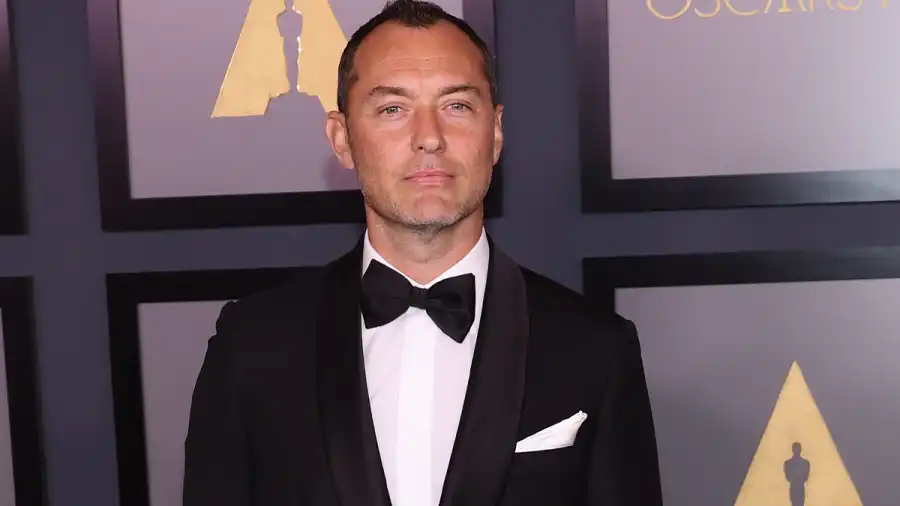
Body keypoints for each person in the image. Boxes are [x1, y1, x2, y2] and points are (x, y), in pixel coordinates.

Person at [181, 1, 663, 505]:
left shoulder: (596, 349)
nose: (429, 138)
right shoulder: (252, 346)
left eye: (457, 106)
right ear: (341, 139)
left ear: (496, 132)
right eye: (393, 109)